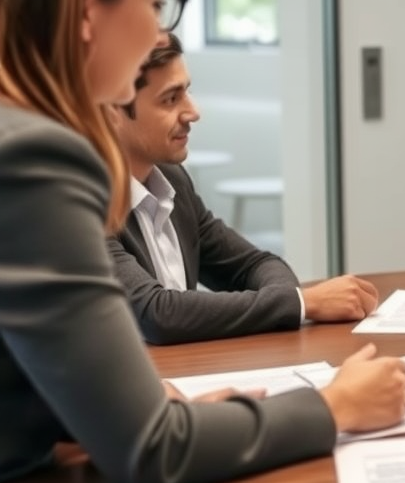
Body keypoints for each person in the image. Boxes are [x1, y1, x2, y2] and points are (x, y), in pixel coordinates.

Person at [0, 0, 405, 483]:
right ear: (86, 7)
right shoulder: (34, 158)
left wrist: (137, 406)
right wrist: (334, 406)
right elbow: (152, 453)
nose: (159, 32)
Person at [108, 34, 378, 344]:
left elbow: (256, 265)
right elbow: (156, 314)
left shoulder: (172, 181)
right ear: (113, 112)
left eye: (187, 92)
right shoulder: (82, 205)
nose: (193, 112)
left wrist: (289, 301)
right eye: (170, 99)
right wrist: (303, 303)